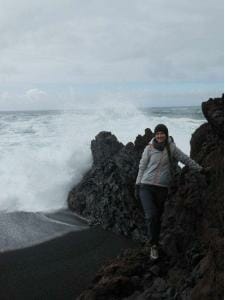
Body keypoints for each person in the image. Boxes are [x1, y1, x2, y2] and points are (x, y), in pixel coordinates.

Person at [135, 124, 206, 260]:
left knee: (159, 218)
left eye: (162, 133)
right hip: (146, 186)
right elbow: (142, 166)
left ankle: (156, 240)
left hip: (162, 188)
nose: (159, 136)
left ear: (166, 134)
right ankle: (153, 246)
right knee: (151, 215)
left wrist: (200, 169)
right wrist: (137, 185)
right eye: (157, 133)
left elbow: (185, 159)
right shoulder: (149, 148)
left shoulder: (171, 148)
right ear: (155, 135)